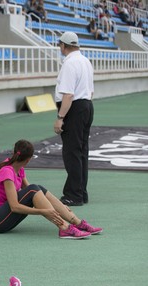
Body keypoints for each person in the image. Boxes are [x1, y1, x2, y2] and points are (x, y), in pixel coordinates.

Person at [0, 139, 103, 239]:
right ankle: (65, 228)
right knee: (34, 188)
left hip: (4, 216)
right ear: (28, 160)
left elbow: (33, 192)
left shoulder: (18, 167)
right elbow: (14, 206)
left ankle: (78, 223)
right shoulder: (7, 171)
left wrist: (59, 206)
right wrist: (43, 211)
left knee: (38, 188)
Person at [54, 32, 94, 207]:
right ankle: (81, 192)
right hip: (86, 106)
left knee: (71, 152)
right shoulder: (85, 61)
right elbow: (90, 90)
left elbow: (68, 95)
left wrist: (60, 118)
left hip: (74, 108)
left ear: (63, 45)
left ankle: (73, 194)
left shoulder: (70, 63)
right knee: (81, 151)